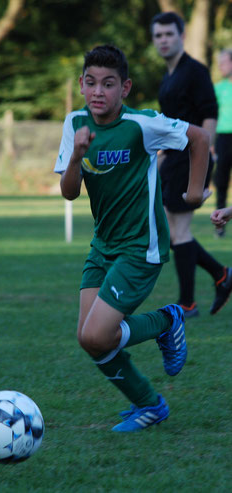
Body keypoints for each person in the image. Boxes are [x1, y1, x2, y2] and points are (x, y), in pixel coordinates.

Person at [54, 44, 210, 432]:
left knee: (98, 333)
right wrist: (76, 157)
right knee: (89, 339)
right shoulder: (74, 125)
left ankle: (165, 320)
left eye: (108, 84)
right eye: (90, 83)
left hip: (142, 248)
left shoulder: (142, 124)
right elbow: (70, 192)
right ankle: (150, 405)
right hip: (102, 246)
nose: (98, 92)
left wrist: (193, 193)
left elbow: (199, 139)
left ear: (124, 88)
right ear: (81, 85)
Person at [151, 11, 232, 317]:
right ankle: (222, 275)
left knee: (180, 232)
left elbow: (209, 114)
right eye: (158, 35)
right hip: (173, 159)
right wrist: (161, 158)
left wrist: (206, 156)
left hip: (191, 158)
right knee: (173, 233)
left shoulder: (195, 71)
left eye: (169, 34)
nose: (163, 40)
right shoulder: (167, 77)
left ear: (182, 36)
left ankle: (188, 304)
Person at [212, 48, 232, 237]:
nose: (220, 66)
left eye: (223, 62)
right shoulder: (218, 88)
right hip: (224, 139)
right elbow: (210, 115)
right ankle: (220, 223)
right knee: (221, 181)